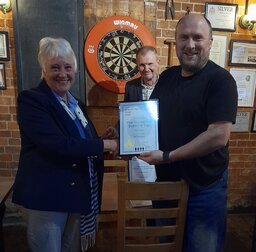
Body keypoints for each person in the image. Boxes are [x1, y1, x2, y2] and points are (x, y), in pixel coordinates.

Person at [139, 13, 238, 252]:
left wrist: (167, 156)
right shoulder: (168, 77)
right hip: (166, 185)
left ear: (210, 42)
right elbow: (150, 118)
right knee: (167, 246)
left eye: (198, 38)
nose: (190, 45)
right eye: (184, 37)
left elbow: (218, 135)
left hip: (204, 188)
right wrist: (124, 134)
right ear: (176, 40)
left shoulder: (221, 81)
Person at [12, 37, 118, 252]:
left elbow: (80, 143)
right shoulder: (32, 100)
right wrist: (104, 145)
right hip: (47, 196)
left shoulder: (76, 103)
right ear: (43, 70)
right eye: (55, 67)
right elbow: (58, 144)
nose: (62, 74)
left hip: (77, 193)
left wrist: (99, 142)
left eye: (68, 67)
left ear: (75, 70)